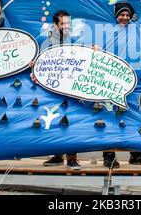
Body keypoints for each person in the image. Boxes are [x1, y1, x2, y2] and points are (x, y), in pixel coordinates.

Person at [102, 2, 141, 169]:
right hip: (111, 81)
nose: (124, 18)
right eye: (121, 15)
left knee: (134, 116)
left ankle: (136, 153)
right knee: (109, 117)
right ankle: (109, 155)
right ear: (115, 16)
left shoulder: (135, 31)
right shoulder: (108, 33)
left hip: (133, 81)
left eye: (127, 15)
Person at [30, 10, 81, 170]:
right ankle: (57, 155)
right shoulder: (42, 41)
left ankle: (72, 158)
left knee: (70, 121)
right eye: (63, 24)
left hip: (69, 89)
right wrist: (33, 66)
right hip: (49, 89)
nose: (66, 27)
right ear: (55, 25)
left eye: (68, 24)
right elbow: (33, 63)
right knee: (52, 118)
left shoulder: (74, 42)